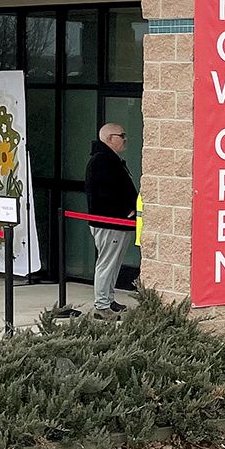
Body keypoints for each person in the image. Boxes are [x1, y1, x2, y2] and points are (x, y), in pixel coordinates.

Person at [82, 124, 139, 319]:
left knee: (113, 264)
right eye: (121, 135)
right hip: (109, 222)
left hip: (117, 222)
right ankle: (102, 305)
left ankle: (108, 299)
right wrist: (126, 210)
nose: (125, 139)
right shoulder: (102, 160)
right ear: (109, 138)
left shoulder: (109, 159)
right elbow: (106, 193)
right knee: (107, 263)